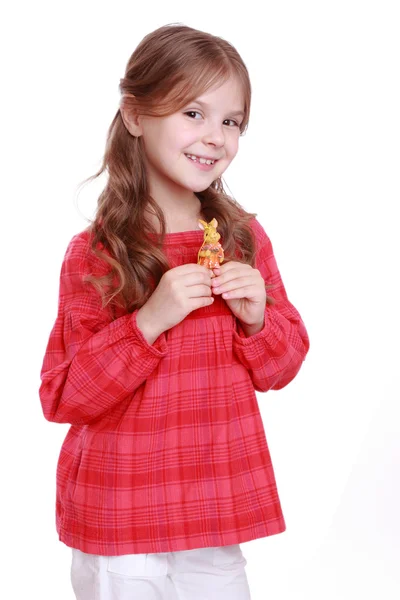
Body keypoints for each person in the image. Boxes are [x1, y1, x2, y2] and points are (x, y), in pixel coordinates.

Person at [39, 22, 310, 600]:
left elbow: (281, 368)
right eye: (193, 113)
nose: (215, 136)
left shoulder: (244, 239)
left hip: (215, 510)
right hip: (122, 519)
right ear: (136, 116)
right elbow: (63, 395)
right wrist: (148, 321)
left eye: (231, 121)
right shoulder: (96, 253)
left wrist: (258, 319)